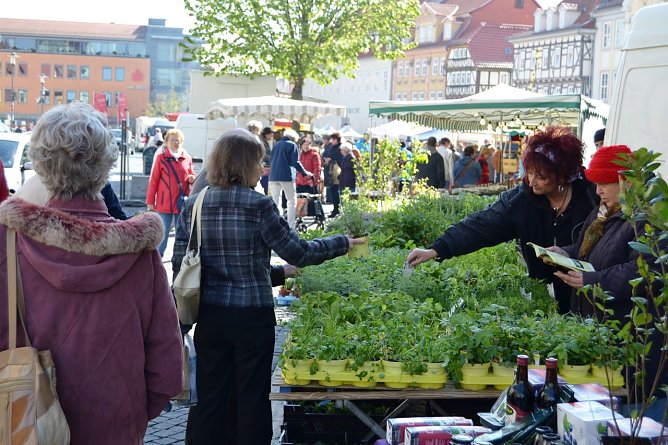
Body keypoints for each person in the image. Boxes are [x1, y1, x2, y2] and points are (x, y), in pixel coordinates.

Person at [0, 102, 183, 444]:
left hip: (25, 429)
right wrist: (127, 413)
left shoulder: (8, 245)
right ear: (105, 165)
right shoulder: (140, 255)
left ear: (39, 163)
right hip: (115, 429)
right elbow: (167, 372)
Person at [172, 128, 363, 445]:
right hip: (252, 319)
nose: (262, 169)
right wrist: (342, 242)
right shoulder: (259, 205)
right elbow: (299, 251)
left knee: (210, 399)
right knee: (252, 399)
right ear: (248, 165)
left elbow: (182, 266)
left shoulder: (195, 204)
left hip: (209, 317)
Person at [406, 126, 600, 314]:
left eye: (541, 177)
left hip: (594, 300)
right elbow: (481, 224)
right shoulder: (521, 200)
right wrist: (437, 249)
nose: (531, 181)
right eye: (530, 172)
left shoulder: (594, 196)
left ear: (562, 175)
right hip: (545, 302)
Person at [548, 144, 667, 422]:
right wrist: (566, 252)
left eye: (605, 183)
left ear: (625, 180)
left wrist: (592, 280)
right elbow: (587, 249)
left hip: (635, 335)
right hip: (607, 335)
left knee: (637, 416)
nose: (598, 190)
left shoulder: (648, 217)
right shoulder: (605, 211)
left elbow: (644, 270)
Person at [146, 128, 196, 256]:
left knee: (181, 233)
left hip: (181, 202)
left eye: (178, 141)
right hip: (164, 203)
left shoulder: (187, 158)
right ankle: (158, 257)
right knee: (163, 232)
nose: (176, 143)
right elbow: (154, 181)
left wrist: (191, 178)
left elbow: (191, 175)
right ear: (166, 142)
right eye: (173, 140)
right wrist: (150, 202)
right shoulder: (161, 158)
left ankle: (179, 257)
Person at [268, 129, 313, 229]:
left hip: (273, 176)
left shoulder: (276, 144)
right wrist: (305, 172)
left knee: (276, 200)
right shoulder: (292, 145)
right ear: (293, 138)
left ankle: (276, 224)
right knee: (291, 201)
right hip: (286, 176)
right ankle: (291, 226)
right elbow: (295, 162)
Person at [322, 132, 343, 217]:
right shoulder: (332, 147)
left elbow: (336, 157)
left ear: (336, 140)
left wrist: (329, 159)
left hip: (336, 171)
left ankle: (336, 209)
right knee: (333, 190)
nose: (331, 141)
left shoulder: (339, 148)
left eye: (332, 139)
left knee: (336, 191)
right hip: (331, 170)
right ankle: (335, 209)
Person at [260, 126, 275, 194]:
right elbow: (263, 154)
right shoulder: (262, 142)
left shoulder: (265, 141)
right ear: (267, 134)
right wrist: (272, 159)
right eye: (271, 135)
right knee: (264, 186)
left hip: (265, 166)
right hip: (263, 166)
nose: (271, 137)